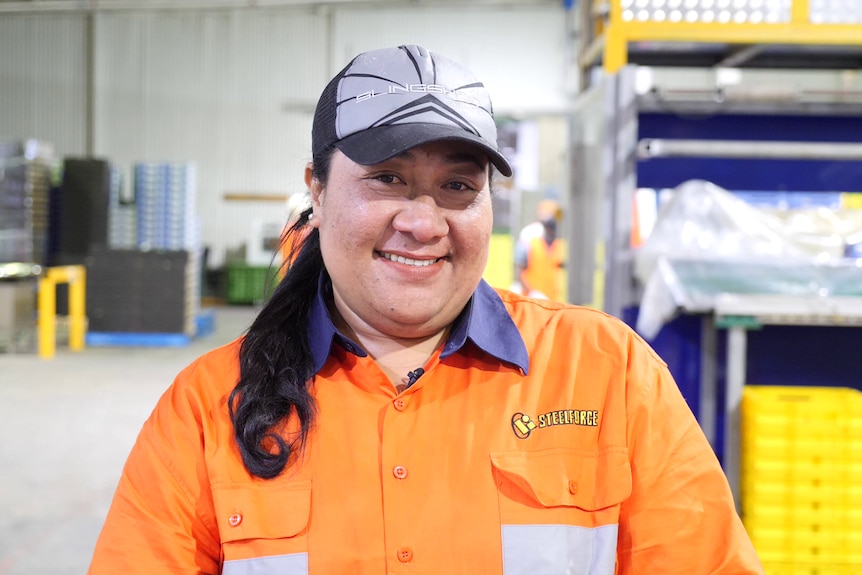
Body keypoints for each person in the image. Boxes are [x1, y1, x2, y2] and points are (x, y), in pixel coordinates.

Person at [87, 44, 764, 574]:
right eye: (388, 178)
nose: (423, 220)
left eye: (457, 185)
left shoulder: (609, 375)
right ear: (316, 193)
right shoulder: (208, 409)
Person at [513, 198, 565, 300]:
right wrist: (533, 293)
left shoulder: (560, 244)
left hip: (553, 301)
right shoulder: (529, 236)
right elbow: (519, 270)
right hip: (530, 301)